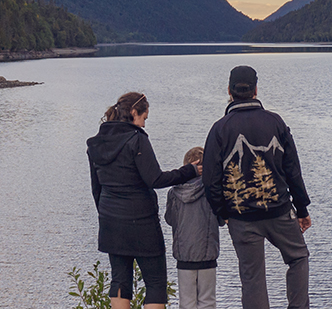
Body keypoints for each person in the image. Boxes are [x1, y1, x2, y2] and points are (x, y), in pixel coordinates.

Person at [202, 65, 312, 309]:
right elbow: (293, 170)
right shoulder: (275, 122)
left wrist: (223, 213)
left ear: (229, 91)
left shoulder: (219, 129)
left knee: (252, 278)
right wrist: (301, 210)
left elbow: (210, 180)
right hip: (279, 212)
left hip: (241, 217)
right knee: (298, 257)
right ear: (255, 90)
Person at [88, 92, 201, 309]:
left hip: (111, 223)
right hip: (141, 223)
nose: (144, 124)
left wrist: (107, 215)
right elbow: (155, 179)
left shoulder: (96, 143)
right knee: (155, 282)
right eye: (144, 118)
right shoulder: (136, 139)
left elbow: (96, 188)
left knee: (120, 281)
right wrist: (190, 171)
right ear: (133, 113)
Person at [164, 146, 222, 309]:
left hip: (184, 254)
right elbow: (221, 219)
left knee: (187, 302)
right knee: (207, 301)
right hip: (207, 253)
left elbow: (170, 219)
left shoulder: (174, 192)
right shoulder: (212, 190)